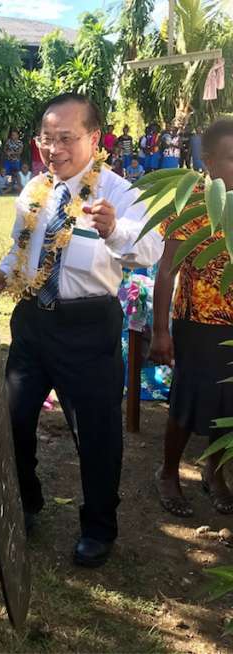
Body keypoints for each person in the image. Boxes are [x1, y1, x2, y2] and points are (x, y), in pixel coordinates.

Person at [0, 93, 162, 567]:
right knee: (12, 418)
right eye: (47, 138)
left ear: (94, 138)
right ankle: (26, 502)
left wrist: (114, 231)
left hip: (88, 327)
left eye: (66, 137)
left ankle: (99, 527)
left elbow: (150, 248)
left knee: (97, 433)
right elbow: (21, 249)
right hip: (31, 323)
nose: (54, 147)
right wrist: (3, 273)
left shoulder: (120, 192)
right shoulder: (33, 190)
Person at [152, 118, 233, 517]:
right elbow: (167, 270)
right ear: (211, 161)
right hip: (198, 321)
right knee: (188, 400)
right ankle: (168, 472)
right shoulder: (192, 203)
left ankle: (214, 473)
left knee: (230, 404)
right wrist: (160, 332)